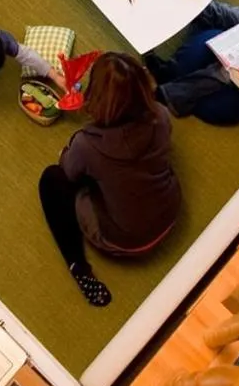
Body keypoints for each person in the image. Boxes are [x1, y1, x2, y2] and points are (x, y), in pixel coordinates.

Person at [37, 53, 180, 307]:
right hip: (169, 214)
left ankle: (78, 267)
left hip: (123, 241)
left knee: (52, 179)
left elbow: (68, 171)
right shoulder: (161, 114)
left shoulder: (87, 143)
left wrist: (69, 153)